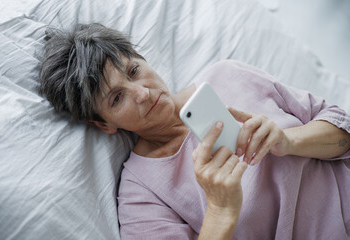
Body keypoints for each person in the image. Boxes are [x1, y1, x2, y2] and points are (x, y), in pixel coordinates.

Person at [39, 23, 350, 239]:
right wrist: (219, 210)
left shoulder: (227, 75)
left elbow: (342, 131)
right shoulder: (141, 194)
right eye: (117, 98)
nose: (143, 93)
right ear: (104, 123)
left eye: (134, 71)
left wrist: (288, 141)